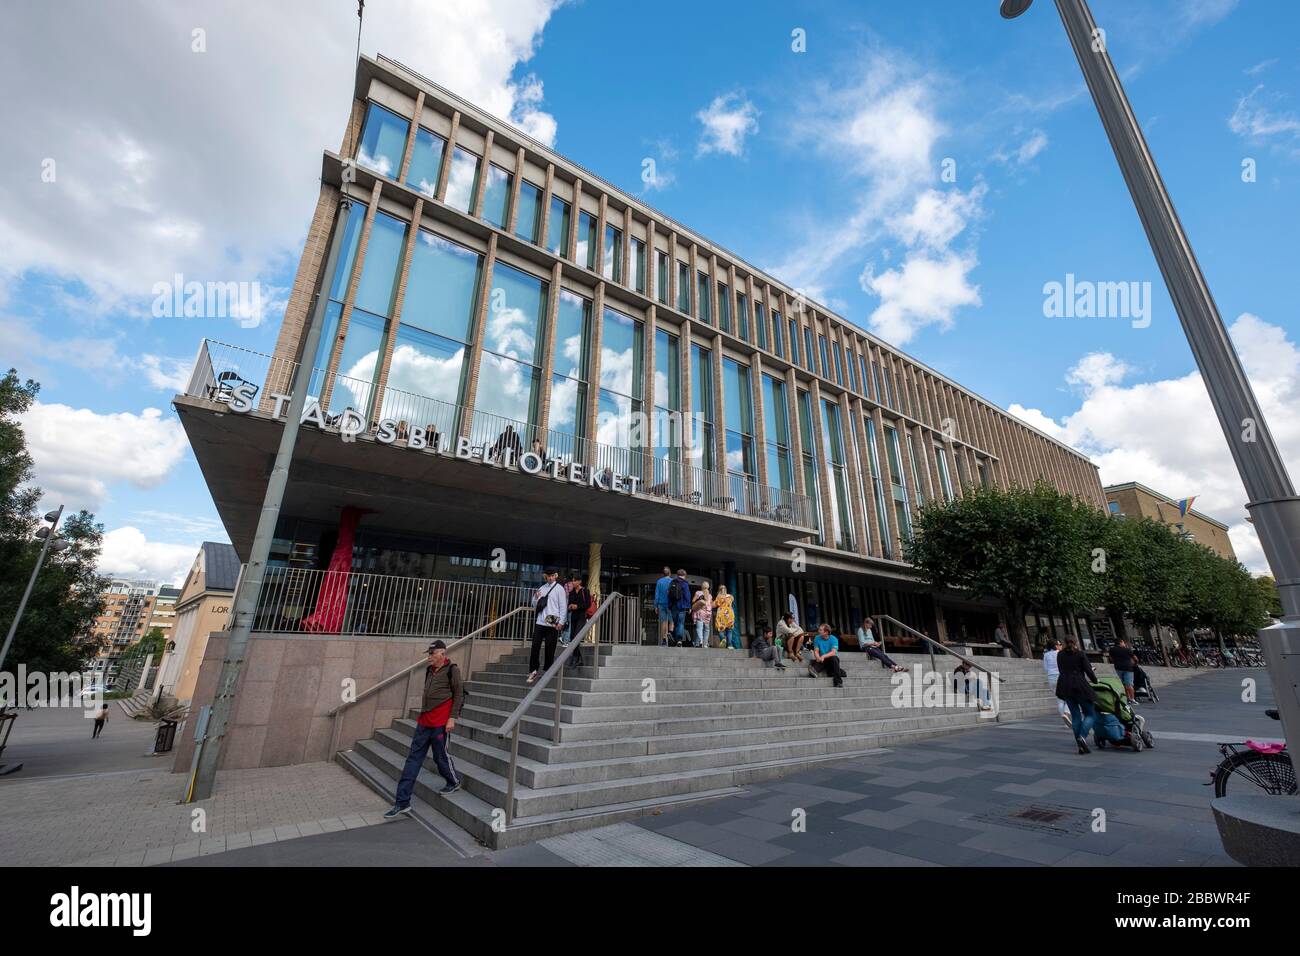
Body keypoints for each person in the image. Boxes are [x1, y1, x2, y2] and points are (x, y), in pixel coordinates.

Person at [385, 640, 464, 816]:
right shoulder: (430, 670)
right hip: (424, 721)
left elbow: (459, 694)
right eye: (428, 654)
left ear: (442, 653)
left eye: (431, 654)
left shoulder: (453, 670)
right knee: (413, 760)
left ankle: (453, 781)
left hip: (440, 723)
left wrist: (452, 718)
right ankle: (402, 801)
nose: (428, 657)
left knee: (440, 757)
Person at [1056, 636, 1099, 754]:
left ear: (1064, 643)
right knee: (1090, 714)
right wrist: (1095, 680)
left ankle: (1079, 745)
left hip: (1065, 685)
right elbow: (1088, 670)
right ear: (1076, 642)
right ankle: (1082, 737)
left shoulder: (1060, 655)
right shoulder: (1080, 654)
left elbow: (1061, 670)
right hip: (1079, 685)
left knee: (1075, 716)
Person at [527, 568, 567, 684]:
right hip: (540, 621)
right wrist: (535, 597)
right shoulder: (542, 588)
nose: (550, 578)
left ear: (555, 576)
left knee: (550, 648)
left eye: (552, 576)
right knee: (535, 647)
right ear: (545, 576)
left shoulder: (559, 589)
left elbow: (563, 606)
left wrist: (561, 622)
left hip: (552, 621)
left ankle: (548, 670)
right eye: (548, 576)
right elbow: (534, 604)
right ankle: (533, 670)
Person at [1043, 638, 1073, 729]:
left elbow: (1045, 668)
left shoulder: (1046, 655)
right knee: (1070, 696)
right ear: (1055, 645)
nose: (1061, 646)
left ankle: (1065, 720)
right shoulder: (1061, 653)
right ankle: (1066, 713)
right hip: (1061, 676)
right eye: (1059, 644)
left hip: (1051, 677)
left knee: (1060, 699)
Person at [566, 571, 591, 670]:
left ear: (579, 581)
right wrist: (570, 606)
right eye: (572, 581)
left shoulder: (585, 591)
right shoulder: (571, 592)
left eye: (575, 581)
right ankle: (579, 658)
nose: (573, 582)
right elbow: (569, 603)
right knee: (572, 638)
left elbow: (588, 604)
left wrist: (578, 606)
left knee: (576, 636)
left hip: (581, 617)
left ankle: (575, 658)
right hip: (573, 617)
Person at [807, 624, 845, 688]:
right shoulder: (817, 638)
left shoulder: (834, 639)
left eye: (821, 630)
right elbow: (816, 651)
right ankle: (814, 670)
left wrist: (823, 656)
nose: (818, 631)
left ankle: (838, 682)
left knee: (835, 658)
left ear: (826, 632)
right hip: (822, 660)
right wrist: (818, 657)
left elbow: (833, 652)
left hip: (830, 659)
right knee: (817, 663)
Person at [1108, 637, 1138, 704]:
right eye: (1123, 642)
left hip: (1118, 668)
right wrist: (1135, 663)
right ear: (1121, 642)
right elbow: (1135, 658)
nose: (1124, 643)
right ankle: (1132, 699)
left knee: (1124, 684)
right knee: (1129, 684)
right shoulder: (1127, 649)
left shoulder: (1112, 650)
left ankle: (1128, 698)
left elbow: (1111, 659)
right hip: (1128, 668)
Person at [669, 569, 692, 646]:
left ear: (677, 575)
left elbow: (669, 594)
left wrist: (669, 605)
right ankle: (679, 640)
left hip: (673, 606)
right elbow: (687, 596)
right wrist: (689, 607)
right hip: (682, 606)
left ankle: (675, 639)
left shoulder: (672, 582)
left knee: (675, 623)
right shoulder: (685, 584)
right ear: (684, 575)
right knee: (681, 623)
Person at [654, 566, 673, 646]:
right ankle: (670, 632)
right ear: (670, 573)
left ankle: (664, 639)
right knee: (672, 620)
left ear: (663, 574)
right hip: (671, 604)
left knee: (663, 622)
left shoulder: (659, 581)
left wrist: (656, 606)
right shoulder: (672, 581)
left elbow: (657, 594)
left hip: (661, 604)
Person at [691, 580, 713, 648]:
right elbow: (711, 604)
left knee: (699, 628)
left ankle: (700, 641)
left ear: (702, 586)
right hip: (707, 613)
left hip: (700, 612)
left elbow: (693, 601)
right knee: (706, 629)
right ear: (708, 587)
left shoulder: (698, 592)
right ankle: (705, 644)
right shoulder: (710, 595)